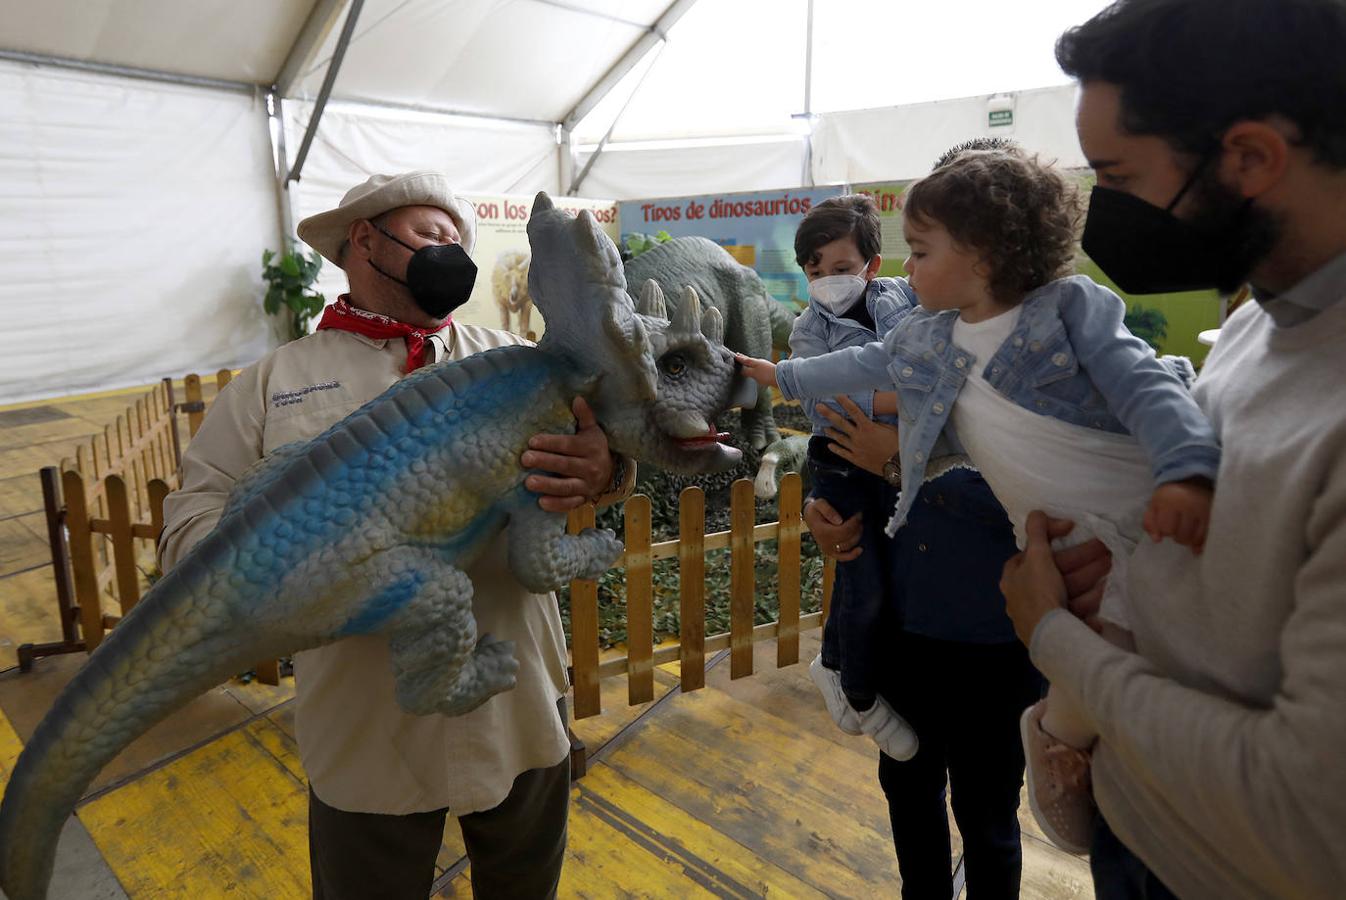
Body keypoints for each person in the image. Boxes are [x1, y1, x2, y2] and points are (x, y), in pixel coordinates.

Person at [158, 171, 635, 900]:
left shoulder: (512, 356)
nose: (451, 251)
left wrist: (604, 467)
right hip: (363, 727)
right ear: (364, 239)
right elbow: (191, 518)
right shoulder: (274, 381)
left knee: (526, 884)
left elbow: (613, 450)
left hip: (520, 700)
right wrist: (278, 575)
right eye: (430, 234)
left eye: (458, 240)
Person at [737, 147, 1221, 854]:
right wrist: (785, 375)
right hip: (923, 610)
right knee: (917, 794)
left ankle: (1076, 752)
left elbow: (1148, 387)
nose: (906, 269)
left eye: (921, 251)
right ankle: (1069, 746)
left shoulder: (1069, 311)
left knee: (1107, 648)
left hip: (1082, 549)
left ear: (985, 255)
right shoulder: (930, 336)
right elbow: (865, 366)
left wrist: (1186, 468)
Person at [998, 0, 1346, 896]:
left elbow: (1307, 820)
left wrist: (1055, 638)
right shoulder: (1253, 327)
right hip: (1145, 842)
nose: (1099, 215)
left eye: (1116, 176)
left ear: (1252, 157)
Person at [787, 193, 921, 760]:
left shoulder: (906, 301)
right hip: (840, 461)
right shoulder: (807, 330)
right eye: (814, 271)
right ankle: (860, 694)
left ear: (873, 266)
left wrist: (890, 400)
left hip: (891, 468)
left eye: (840, 269)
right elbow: (824, 405)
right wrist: (909, 397)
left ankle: (836, 665)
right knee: (860, 582)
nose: (825, 282)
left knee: (879, 582)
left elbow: (929, 361)